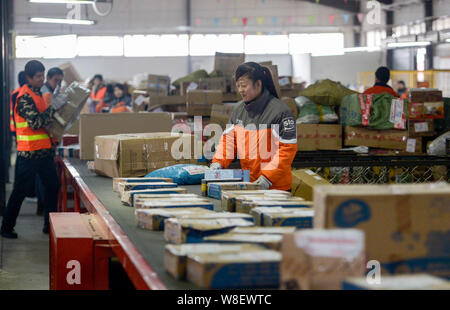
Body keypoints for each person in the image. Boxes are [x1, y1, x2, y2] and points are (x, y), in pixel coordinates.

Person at [1, 60, 65, 239]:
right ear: (28, 77)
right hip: (28, 155)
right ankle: (6, 227)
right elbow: (36, 122)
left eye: (43, 76)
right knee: (20, 191)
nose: (41, 79)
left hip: (44, 152)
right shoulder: (24, 97)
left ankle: (49, 225)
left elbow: (47, 120)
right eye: (38, 76)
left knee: (53, 186)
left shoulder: (39, 94)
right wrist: (53, 110)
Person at [209, 62, 297, 191]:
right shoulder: (238, 110)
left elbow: (286, 151)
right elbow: (229, 140)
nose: (240, 90)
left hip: (276, 188)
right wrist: (218, 163)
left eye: (244, 86)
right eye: (238, 86)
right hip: (249, 185)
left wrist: (267, 178)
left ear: (258, 84)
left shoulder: (280, 112)